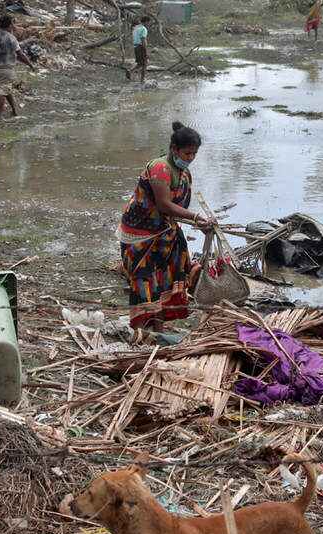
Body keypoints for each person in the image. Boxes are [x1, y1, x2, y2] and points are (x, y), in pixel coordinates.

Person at [119, 121, 213, 331]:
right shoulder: (160, 168)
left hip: (165, 229)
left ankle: (159, 327)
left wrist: (200, 223)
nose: (190, 158)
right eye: (187, 153)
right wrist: (196, 217)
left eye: (194, 154)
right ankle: (141, 330)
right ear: (174, 149)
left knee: (167, 278)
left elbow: (176, 210)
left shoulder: (184, 174)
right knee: (144, 280)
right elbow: (164, 205)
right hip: (141, 234)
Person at [0, 14, 37, 120]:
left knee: (5, 90)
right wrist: (30, 64)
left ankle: (14, 110)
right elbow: (20, 54)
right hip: (7, 69)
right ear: (10, 25)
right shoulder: (11, 38)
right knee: (3, 92)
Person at [128, 16, 151, 82]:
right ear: (146, 22)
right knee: (145, 63)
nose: (149, 24)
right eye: (149, 22)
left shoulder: (136, 28)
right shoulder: (143, 29)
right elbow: (143, 39)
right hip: (141, 47)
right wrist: (146, 50)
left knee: (140, 63)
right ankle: (142, 79)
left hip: (136, 47)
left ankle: (130, 71)